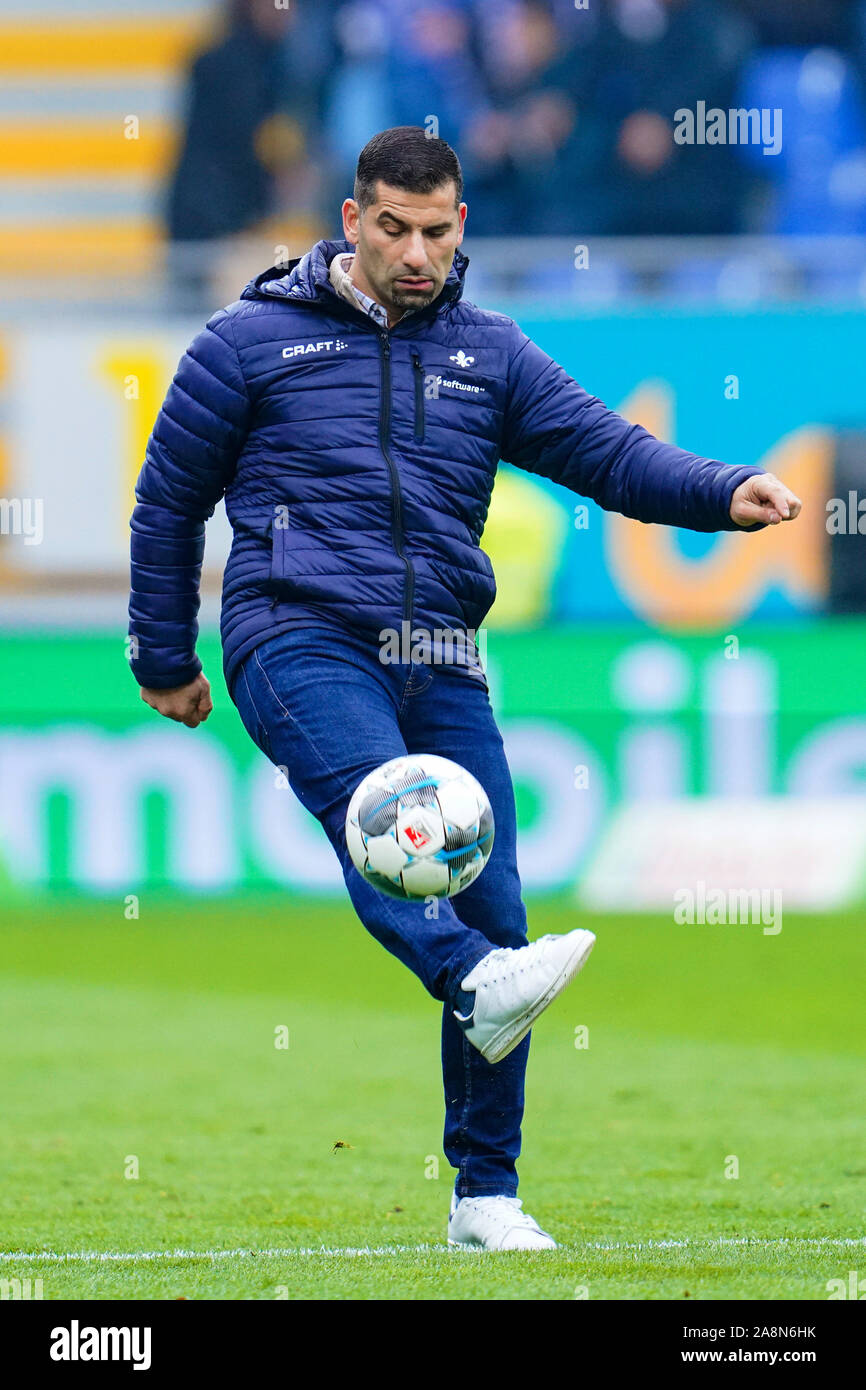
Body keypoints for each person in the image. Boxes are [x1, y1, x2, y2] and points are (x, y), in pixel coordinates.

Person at [128, 126, 801, 1251]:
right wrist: (164, 656)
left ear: (459, 229)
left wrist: (721, 489)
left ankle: (484, 1195)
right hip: (293, 628)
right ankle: (468, 978)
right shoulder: (246, 341)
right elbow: (167, 502)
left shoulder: (488, 353)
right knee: (382, 813)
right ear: (351, 221)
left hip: (439, 647)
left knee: (495, 910)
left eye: (434, 232)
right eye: (391, 228)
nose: (413, 253)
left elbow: (607, 452)